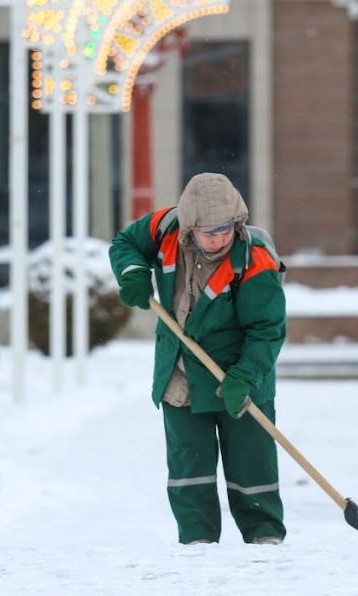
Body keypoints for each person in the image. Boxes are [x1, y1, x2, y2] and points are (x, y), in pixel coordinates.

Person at [109, 173, 287, 545]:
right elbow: (126, 242)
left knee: (252, 466)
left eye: (226, 229)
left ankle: (264, 542)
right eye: (209, 233)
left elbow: (267, 329)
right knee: (190, 468)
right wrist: (133, 272)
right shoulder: (166, 228)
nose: (219, 239)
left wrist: (245, 375)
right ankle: (197, 544)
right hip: (181, 374)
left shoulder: (254, 258)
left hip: (238, 376)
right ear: (190, 228)